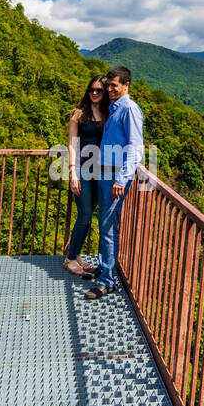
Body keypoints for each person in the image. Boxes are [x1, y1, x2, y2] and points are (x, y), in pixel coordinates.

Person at [84, 66, 144, 301]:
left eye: (114, 85)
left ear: (126, 85)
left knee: (109, 227)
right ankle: (102, 268)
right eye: (108, 85)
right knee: (105, 223)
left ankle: (107, 282)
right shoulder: (114, 108)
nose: (109, 89)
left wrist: (121, 178)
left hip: (115, 177)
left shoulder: (129, 109)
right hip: (105, 173)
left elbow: (136, 147)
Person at [62, 75, 108, 276]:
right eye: (92, 89)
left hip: (100, 170)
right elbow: (72, 144)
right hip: (82, 169)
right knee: (84, 215)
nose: (95, 93)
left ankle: (76, 254)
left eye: (99, 90)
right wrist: (73, 173)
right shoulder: (78, 114)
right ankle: (70, 258)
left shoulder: (108, 113)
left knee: (89, 215)